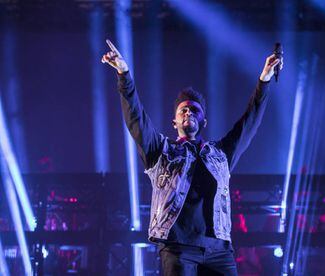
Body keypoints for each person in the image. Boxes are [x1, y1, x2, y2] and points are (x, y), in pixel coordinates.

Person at [102, 39, 282, 276]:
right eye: (183, 110)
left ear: (203, 121)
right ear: (174, 122)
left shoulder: (220, 154)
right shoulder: (161, 150)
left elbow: (249, 123)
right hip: (178, 248)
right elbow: (136, 118)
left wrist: (265, 79)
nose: (188, 112)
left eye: (194, 110)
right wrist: (124, 75)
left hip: (219, 249)